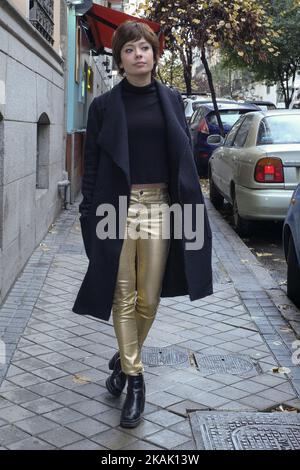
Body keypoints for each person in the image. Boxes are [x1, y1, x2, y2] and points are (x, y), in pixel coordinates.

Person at [72, 20, 213, 429]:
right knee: (122, 296)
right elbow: (93, 166)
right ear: (119, 59)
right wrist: (88, 214)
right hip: (115, 209)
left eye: (144, 48)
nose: (138, 54)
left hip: (160, 208)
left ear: (154, 55)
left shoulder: (171, 100)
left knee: (148, 298)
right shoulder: (103, 106)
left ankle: (122, 356)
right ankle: (135, 381)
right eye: (130, 49)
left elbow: (182, 159)